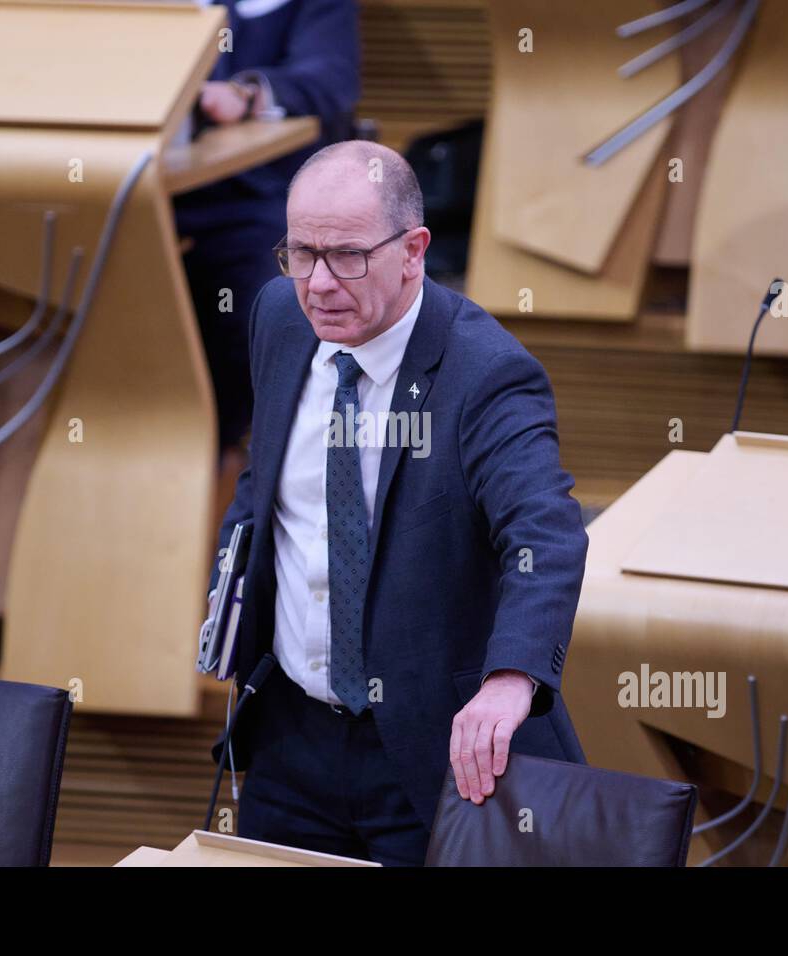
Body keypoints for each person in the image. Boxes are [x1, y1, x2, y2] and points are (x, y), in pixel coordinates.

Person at [206, 140, 588, 866]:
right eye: (299, 252)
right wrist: (230, 591)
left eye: (347, 256)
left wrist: (509, 682)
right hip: (290, 737)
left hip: (426, 749)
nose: (318, 283)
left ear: (413, 250)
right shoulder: (279, 319)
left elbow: (546, 535)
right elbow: (269, 475)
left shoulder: (486, 374)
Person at [175, 0, 360, 457]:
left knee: (266, 299)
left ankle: (239, 463)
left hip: (255, 195)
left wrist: (248, 92)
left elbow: (329, 80)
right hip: (137, 187)